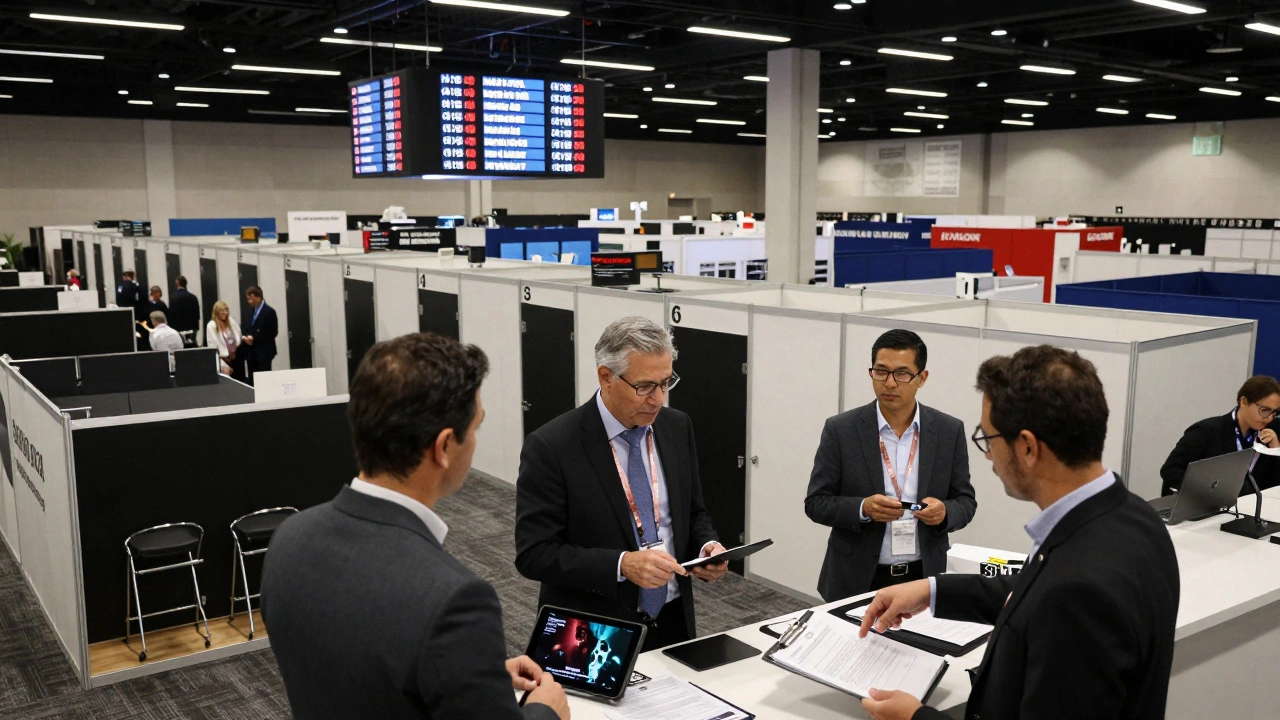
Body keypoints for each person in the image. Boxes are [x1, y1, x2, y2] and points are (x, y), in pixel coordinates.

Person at [857, 345, 1179, 720]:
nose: (988, 456)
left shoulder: (1078, 591)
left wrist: (916, 717)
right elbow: (1032, 592)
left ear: (1026, 446)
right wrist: (931, 591)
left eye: (989, 439)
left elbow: (1058, 598)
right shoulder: (1134, 517)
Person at [260, 333, 569, 720]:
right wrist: (546, 712)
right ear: (443, 447)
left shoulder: (290, 538)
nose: (474, 442)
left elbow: (356, 670)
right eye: (474, 428)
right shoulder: (454, 598)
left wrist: (474, 677)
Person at [515, 316, 728, 652]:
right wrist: (621, 564)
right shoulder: (553, 446)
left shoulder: (676, 427)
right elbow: (534, 554)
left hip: (673, 619)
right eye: (644, 386)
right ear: (606, 377)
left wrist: (705, 547)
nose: (657, 399)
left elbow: (693, 512)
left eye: (665, 382)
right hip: (595, 629)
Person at [805, 329, 976, 601]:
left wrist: (945, 513)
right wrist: (863, 508)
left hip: (923, 576)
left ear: (922, 378)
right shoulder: (842, 430)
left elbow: (966, 502)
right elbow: (816, 503)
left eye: (903, 374)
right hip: (856, 576)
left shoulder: (948, 431)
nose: (890, 383)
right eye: (881, 372)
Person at [1160, 375, 1280, 496]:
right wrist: (1208, 491)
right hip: (1207, 505)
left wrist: (1276, 450)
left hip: (1249, 507)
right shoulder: (1206, 431)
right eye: (1264, 410)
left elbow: (1273, 484)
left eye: (1274, 412)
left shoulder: (1268, 434)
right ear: (1243, 402)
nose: (1269, 417)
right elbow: (1170, 470)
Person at [242, 286, 278, 379]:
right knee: (252, 377)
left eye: (250, 299)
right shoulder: (249, 311)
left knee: (264, 378)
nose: (249, 301)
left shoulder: (269, 312)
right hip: (251, 351)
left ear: (257, 297)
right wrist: (247, 336)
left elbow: (273, 332)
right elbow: (245, 326)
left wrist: (255, 338)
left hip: (264, 351)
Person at [206, 300, 244, 379]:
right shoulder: (212, 325)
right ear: (217, 312)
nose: (225, 312)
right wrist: (222, 362)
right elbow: (212, 345)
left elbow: (238, 334)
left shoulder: (230, 321)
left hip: (236, 357)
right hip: (224, 359)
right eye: (222, 310)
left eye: (226, 310)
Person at [168, 276, 201, 348]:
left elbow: (171, 315)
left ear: (177, 284)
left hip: (178, 328)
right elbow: (197, 314)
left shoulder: (173, 298)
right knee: (192, 347)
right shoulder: (193, 297)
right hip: (191, 327)